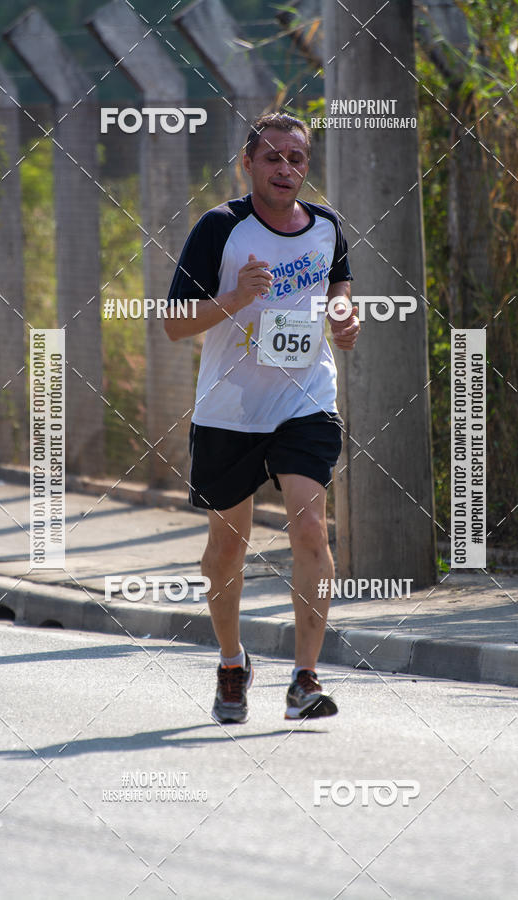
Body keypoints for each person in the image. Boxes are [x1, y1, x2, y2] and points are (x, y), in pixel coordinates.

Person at [165, 112, 359, 724]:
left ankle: (304, 679)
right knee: (228, 548)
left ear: (307, 167)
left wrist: (343, 316)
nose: (285, 168)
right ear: (247, 163)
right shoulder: (220, 228)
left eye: (296, 158)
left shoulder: (327, 226)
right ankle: (232, 662)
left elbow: (338, 287)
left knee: (310, 527)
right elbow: (174, 323)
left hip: (306, 400)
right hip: (231, 408)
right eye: (272, 157)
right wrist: (235, 298)